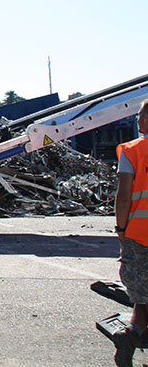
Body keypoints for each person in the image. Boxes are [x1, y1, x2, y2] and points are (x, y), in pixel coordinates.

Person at [113, 99, 148, 366]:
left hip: (138, 232)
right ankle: (133, 334)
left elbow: (124, 195)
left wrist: (121, 228)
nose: (136, 119)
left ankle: (132, 334)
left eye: (139, 115)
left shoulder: (132, 150)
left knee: (142, 293)